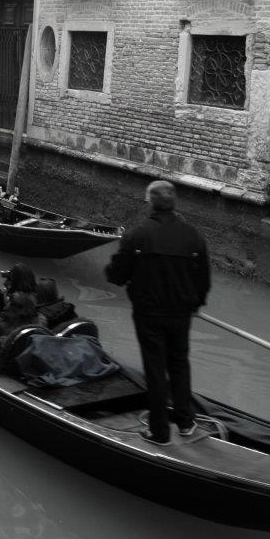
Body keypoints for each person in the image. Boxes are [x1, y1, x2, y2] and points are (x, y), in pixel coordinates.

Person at [104, 180, 211, 446]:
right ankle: (185, 422)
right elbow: (204, 280)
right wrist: (194, 305)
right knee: (179, 364)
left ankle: (160, 432)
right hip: (180, 314)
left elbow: (117, 274)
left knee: (155, 368)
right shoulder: (193, 237)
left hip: (149, 313)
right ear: (173, 203)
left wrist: (119, 276)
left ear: (150, 202)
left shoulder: (137, 235)